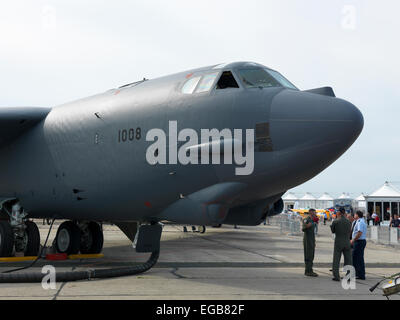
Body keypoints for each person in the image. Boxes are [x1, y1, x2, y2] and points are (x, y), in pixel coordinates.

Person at [330, 208, 352, 281]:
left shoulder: (336, 221)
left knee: (336, 259)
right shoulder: (349, 221)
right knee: (348, 260)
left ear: (339, 212)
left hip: (339, 241)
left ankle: (336, 276)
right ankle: (349, 276)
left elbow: (333, 231)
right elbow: (350, 231)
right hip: (347, 242)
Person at [351, 211, 367, 280]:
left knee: (357, 258)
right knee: (359, 258)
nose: (354, 215)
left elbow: (359, 232)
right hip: (359, 241)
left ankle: (360, 274)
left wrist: (353, 240)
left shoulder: (360, 222)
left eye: (355, 214)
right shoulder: (359, 221)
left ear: (357, 215)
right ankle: (360, 274)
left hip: (359, 241)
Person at [302, 208, 318, 277]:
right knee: (308, 255)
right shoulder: (306, 219)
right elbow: (303, 228)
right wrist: (308, 225)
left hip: (312, 240)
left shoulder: (313, 220)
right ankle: (308, 271)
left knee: (311, 255)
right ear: (310, 213)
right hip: (307, 240)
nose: (315, 214)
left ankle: (310, 270)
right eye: (314, 212)